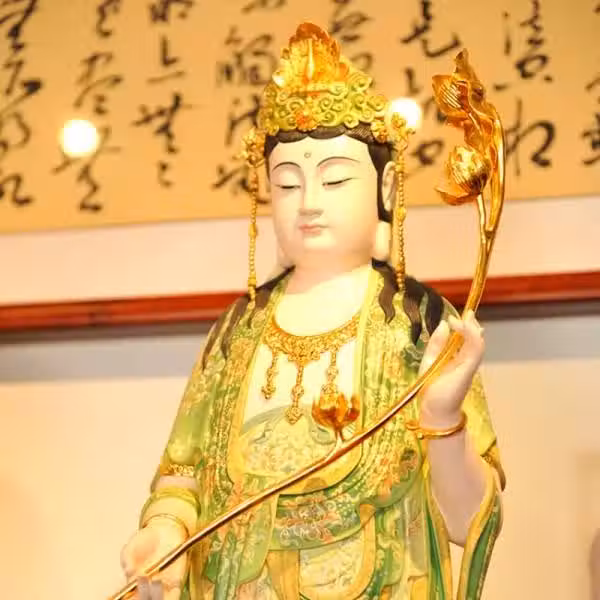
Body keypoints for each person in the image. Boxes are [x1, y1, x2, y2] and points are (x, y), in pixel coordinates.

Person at [120, 22, 505, 600]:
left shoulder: (418, 324)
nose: (309, 203)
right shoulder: (237, 331)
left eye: (336, 179)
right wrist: (164, 532)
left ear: (387, 188)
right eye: (287, 184)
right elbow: (184, 473)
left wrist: (441, 418)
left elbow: (466, 521)